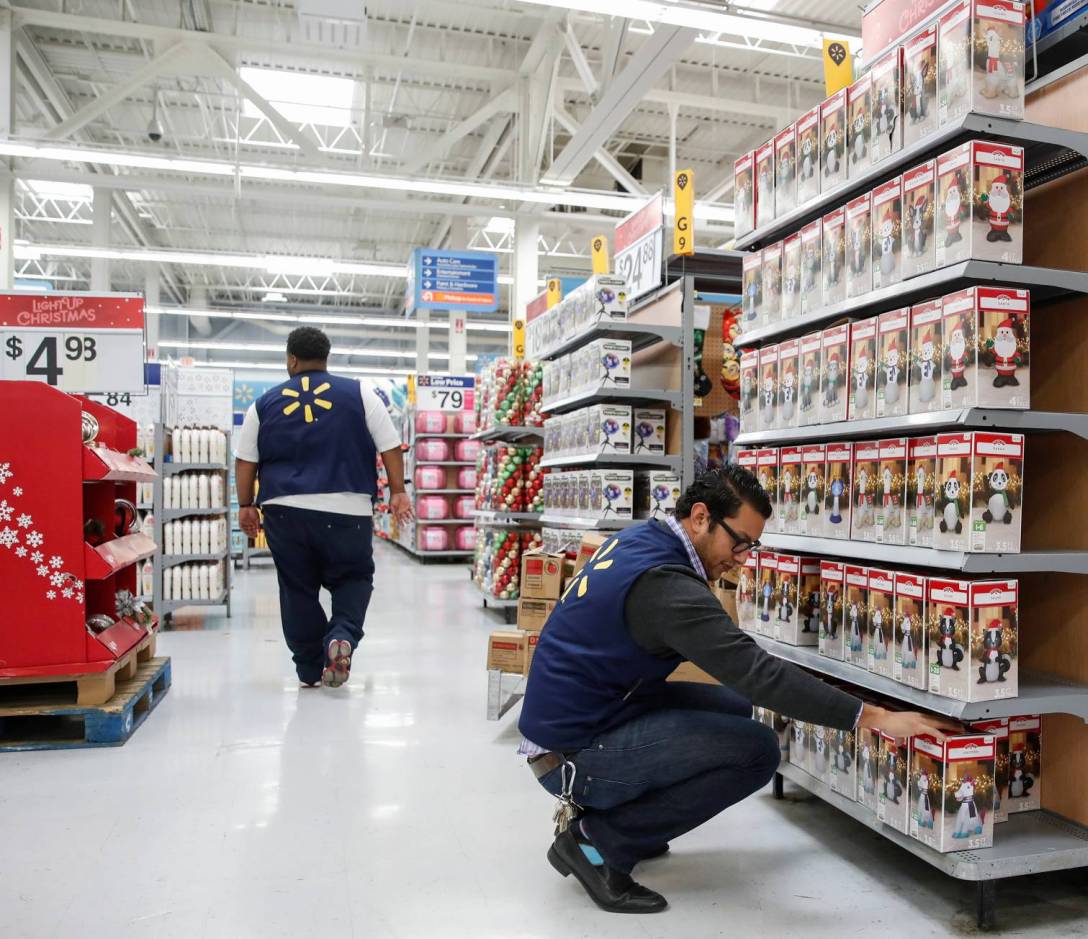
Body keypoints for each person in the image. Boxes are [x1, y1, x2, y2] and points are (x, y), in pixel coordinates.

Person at [519, 464, 947, 914]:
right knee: (758, 751)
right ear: (701, 517)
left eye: (751, 546)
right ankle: (598, 842)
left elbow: (742, 675)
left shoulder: (643, 541)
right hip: (570, 754)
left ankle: (625, 823)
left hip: (589, 715)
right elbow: (758, 673)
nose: (742, 557)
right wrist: (872, 716)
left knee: (734, 708)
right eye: (739, 542)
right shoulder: (665, 587)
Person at [234, 327, 413, 688]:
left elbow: (245, 460)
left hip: (284, 510)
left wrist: (246, 505)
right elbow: (390, 445)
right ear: (326, 358)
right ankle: (341, 636)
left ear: (291, 360)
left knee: (297, 587)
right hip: (347, 509)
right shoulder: (361, 393)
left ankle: (308, 669)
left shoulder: (263, 404)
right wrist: (398, 491)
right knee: (354, 577)